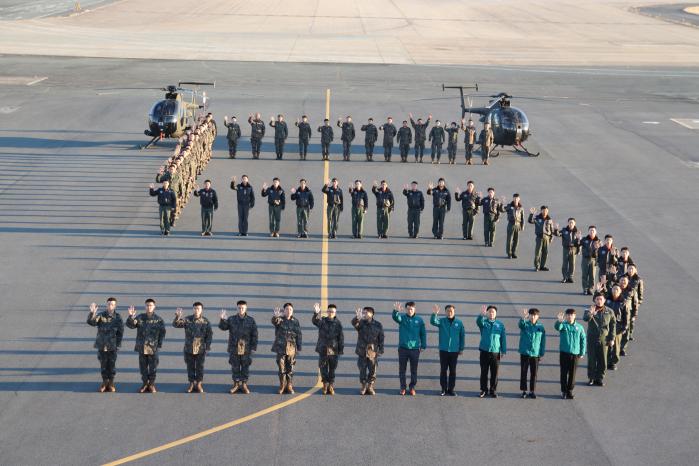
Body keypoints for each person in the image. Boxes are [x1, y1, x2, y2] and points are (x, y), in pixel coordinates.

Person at [126, 298, 166, 393]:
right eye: (147, 305)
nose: (149, 307)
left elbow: (162, 333)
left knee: (153, 367)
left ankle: (151, 384)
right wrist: (131, 316)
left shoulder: (158, 320)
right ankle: (144, 384)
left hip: (153, 347)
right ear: (145, 307)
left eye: (151, 305)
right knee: (143, 367)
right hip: (142, 347)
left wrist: (158, 345)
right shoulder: (140, 318)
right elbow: (131, 325)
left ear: (154, 307)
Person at [219, 300, 258, 394]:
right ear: (237, 308)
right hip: (234, 348)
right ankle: (236, 384)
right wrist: (222, 319)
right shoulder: (232, 319)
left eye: (243, 308)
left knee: (245, 367)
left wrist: (253, 348)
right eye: (239, 308)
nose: (241, 309)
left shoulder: (251, 320)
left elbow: (255, 335)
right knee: (235, 367)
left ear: (246, 308)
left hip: (246, 348)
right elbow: (223, 327)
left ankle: (244, 384)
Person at [173, 302, 213, 393]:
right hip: (189, 348)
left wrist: (208, 347)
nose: (196, 310)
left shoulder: (205, 321)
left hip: (200, 349)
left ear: (201, 310)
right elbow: (176, 325)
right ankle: (191, 383)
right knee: (190, 366)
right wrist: (177, 317)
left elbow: (209, 335)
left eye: (198, 308)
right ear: (193, 309)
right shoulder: (187, 319)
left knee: (199, 367)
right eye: (195, 308)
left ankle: (198, 383)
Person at [87, 298, 124, 392]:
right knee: (103, 365)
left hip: (112, 346)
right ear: (106, 305)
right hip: (102, 344)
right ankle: (104, 383)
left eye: (112, 304)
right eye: (108, 304)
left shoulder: (118, 317)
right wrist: (92, 313)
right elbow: (92, 322)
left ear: (115, 306)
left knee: (111, 365)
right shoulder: (101, 315)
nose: (110, 306)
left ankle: (111, 383)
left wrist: (118, 345)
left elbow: (120, 332)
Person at [392, 301, 427, 396]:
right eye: (408, 309)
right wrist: (395, 311)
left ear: (414, 309)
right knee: (402, 369)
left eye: (411, 309)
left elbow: (423, 333)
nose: (409, 310)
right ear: (406, 309)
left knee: (413, 370)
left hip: (415, 349)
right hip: (403, 348)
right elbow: (395, 317)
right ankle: (403, 387)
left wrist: (423, 345)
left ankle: (412, 387)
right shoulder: (402, 318)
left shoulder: (419, 320)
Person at [430, 304, 465, 396]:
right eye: (448, 311)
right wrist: (435, 314)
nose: (449, 312)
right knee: (443, 370)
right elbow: (433, 322)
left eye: (451, 311)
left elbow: (462, 336)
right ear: (445, 312)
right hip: (444, 350)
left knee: (453, 371)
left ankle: (451, 389)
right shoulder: (441, 321)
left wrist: (461, 348)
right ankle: (443, 389)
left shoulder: (459, 323)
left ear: (454, 311)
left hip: (454, 351)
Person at [583, 292, 616, 386]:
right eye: (597, 299)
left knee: (603, 360)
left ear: (604, 300)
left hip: (604, 339)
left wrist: (612, 338)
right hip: (592, 338)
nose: (599, 301)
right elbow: (585, 318)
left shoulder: (609, 311)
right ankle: (591, 378)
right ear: (594, 300)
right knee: (592, 359)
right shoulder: (589, 309)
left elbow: (613, 325)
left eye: (601, 299)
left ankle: (600, 378)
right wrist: (591, 314)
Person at [312, 303, 345, 395]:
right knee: (323, 367)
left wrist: (341, 349)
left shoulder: (338, 323)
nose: (331, 313)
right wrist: (316, 313)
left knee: (332, 368)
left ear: (335, 313)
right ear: (327, 311)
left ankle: (331, 384)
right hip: (323, 348)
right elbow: (315, 321)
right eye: (329, 311)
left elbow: (341, 337)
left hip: (334, 349)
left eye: (333, 312)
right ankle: (325, 384)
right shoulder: (322, 321)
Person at [352, 306, 384, 395]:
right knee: (362, 369)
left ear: (372, 314)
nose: (364, 314)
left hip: (372, 351)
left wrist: (380, 350)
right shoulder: (361, 323)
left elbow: (381, 338)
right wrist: (357, 318)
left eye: (366, 313)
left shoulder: (378, 325)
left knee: (372, 369)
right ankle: (363, 386)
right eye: (363, 313)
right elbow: (354, 323)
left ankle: (370, 386)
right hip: (362, 350)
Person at [554, 308, 586, 399]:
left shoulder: (579, 327)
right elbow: (557, 327)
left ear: (575, 316)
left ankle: (569, 391)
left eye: (572, 315)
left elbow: (583, 340)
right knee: (563, 373)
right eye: (568, 315)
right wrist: (559, 321)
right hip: (564, 353)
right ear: (566, 316)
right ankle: (563, 391)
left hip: (575, 354)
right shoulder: (563, 325)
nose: (570, 317)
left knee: (572, 374)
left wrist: (582, 352)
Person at [271, 303, 302, 394]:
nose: (289, 311)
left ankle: (289, 385)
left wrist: (299, 346)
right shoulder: (280, 320)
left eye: (290, 310)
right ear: (283, 311)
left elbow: (299, 334)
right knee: (281, 369)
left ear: (292, 311)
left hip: (291, 349)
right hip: (280, 348)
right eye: (287, 309)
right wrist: (275, 316)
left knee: (290, 369)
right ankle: (282, 385)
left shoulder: (295, 321)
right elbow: (274, 321)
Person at [476, 305, 506, 398]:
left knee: (494, 372)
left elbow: (503, 338)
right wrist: (481, 314)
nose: (491, 313)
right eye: (489, 312)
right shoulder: (484, 322)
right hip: (484, 351)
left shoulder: (500, 325)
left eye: (493, 312)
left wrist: (503, 350)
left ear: (496, 313)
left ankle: (493, 390)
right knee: (484, 372)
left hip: (495, 352)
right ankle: (483, 390)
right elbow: (478, 322)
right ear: (487, 313)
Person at [518, 308, 546, 399]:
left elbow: (543, 341)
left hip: (535, 354)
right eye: (531, 315)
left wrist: (541, 353)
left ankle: (532, 391)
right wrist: (523, 318)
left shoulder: (540, 327)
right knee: (524, 372)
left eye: (535, 315)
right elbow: (520, 325)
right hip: (525, 353)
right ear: (529, 316)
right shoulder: (525, 324)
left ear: (538, 316)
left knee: (534, 373)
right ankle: (524, 391)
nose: (533, 317)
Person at [605, 283, 630, 370]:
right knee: (607, 344)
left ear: (620, 292)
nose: (615, 291)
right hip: (607, 326)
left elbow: (626, 316)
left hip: (617, 327)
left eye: (617, 290)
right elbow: (596, 300)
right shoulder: (607, 300)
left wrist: (624, 327)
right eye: (614, 289)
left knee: (616, 346)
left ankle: (613, 362)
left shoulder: (623, 302)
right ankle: (607, 361)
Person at [528, 205, 557, 271]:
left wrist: (551, 238)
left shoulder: (549, 219)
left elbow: (552, 230)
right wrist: (531, 214)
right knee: (538, 252)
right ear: (541, 211)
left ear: (548, 211)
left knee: (545, 252)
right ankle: (537, 266)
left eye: (546, 210)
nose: (545, 212)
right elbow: (530, 221)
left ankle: (542, 266)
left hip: (546, 238)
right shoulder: (537, 218)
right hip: (539, 237)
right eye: (543, 210)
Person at [623, 264, 644, 352]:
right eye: (629, 268)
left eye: (632, 269)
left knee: (632, 319)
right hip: (625, 301)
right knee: (626, 320)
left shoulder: (638, 280)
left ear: (635, 270)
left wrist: (639, 301)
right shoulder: (623, 278)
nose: (630, 270)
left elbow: (640, 291)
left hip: (634, 302)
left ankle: (630, 332)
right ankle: (627, 334)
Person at [555, 217, 582, 283]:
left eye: (572, 222)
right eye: (570, 222)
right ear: (568, 223)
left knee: (572, 264)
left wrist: (579, 250)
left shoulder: (577, 232)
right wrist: (556, 229)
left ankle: (570, 277)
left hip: (573, 249)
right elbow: (557, 234)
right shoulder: (564, 230)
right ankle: (564, 277)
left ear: (574, 223)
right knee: (565, 264)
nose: (571, 224)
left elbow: (580, 243)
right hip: (566, 249)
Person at [580, 226, 601, 295]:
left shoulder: (599, 241)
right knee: (584, 274)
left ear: (596, 232)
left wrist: (597, 249)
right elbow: (577, 244)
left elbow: (600, 252)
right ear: (588, 231)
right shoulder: (584, 239)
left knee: (592, 276)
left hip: (593, 259)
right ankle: (585, 289)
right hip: (585, 259)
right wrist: (577, 239)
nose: (592, 232)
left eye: (593, 231)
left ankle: (591, 289)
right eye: (590, 230)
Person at [505, 193, 525, 258]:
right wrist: (502, 204)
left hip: (518, 225)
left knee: (516, 240)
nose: (516, 199)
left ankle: (513, 252)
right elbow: (503, 209)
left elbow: (522, 218)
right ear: (513, 198)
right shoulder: (509, 206)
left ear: (519, 199)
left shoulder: (521, 208)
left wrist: (522, 226)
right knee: (509, 240)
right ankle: (509, 253)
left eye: (517, 198)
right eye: (514, 198)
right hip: (511, 224)